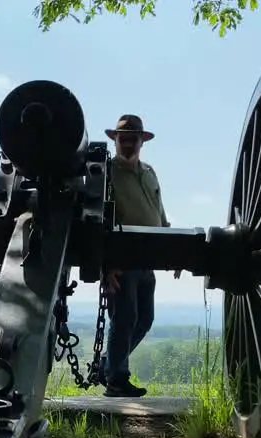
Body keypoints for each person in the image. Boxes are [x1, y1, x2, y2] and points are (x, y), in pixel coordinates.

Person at [101, 114, 172, 398]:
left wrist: (172, 248)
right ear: (115, 141)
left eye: (133, 139)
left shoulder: (149, 172)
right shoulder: (106, 173)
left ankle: (108, 364)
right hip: (121, 260)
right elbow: (97, 220)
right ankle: (116, 379)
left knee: (144, 320)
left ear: (142, 141)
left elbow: (159, 212)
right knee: (125, 318)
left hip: (148, 257)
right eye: (123, 139)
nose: (128, 143)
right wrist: (104, 265)